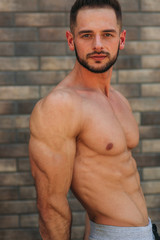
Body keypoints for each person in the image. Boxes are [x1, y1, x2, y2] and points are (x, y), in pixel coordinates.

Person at [29, 0, 160, 239]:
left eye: (107, 34)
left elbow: (105, 178)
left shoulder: (118, 99)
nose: (98, 45)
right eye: (87, 35)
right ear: (71, 40)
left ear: (121, 39)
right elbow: (51, 207)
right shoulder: (61, 105)